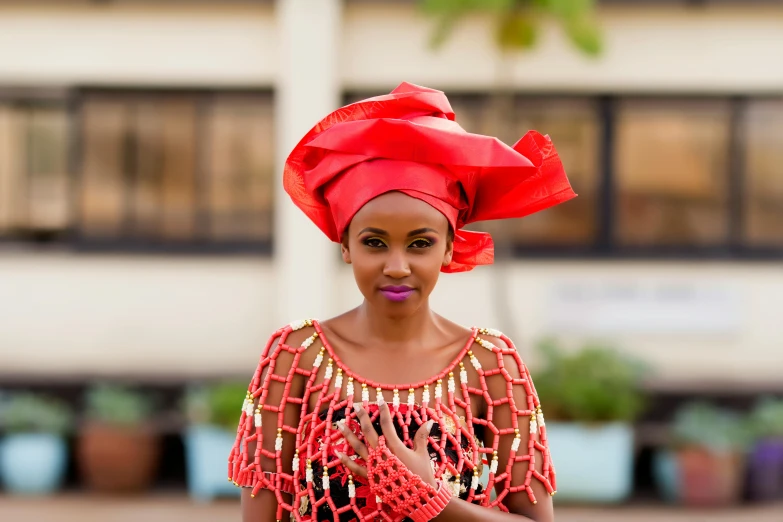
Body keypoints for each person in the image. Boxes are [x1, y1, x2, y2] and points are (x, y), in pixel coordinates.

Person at [229, 83, 576, 522]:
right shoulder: (294, 357)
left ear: (449, 249)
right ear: (346, 247)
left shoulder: (492, 365)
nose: (396, 266)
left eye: (419, 244)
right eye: (374, 242)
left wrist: (432, 501)